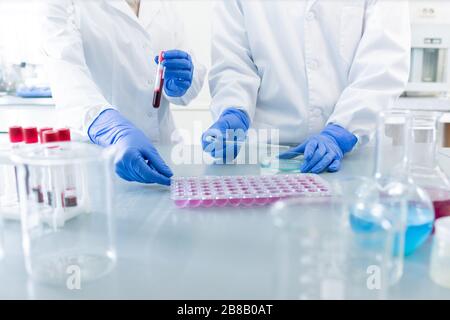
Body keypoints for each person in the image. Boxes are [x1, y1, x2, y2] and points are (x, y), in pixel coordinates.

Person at [202, 0, 410, 173]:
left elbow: (383, 61)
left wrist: (340, 132)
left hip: (350, 156)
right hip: (265, 156)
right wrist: (234, 109)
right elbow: (233, 61)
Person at [43, 0, 206, 185]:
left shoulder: (165, 5)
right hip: (100, 161)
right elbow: (66, 74)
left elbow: (187, 82)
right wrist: (111, 129)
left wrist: (181, 82)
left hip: (166, 152)